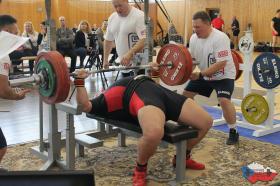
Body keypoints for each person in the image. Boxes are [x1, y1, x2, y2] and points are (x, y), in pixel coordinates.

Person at [74, 68, 213, 186]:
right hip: (143, 100)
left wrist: (155, 72)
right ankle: (141, 168)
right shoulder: (105, 99)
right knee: (153, 133)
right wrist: (79, 82)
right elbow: (85, 106)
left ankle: (183, 157)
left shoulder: (110, 93)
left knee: (206, 122)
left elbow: (157, 83)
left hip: (161, 93)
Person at [184, 11, 239, 145]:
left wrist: (201, 74)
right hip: (205, 74)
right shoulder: (193, 38)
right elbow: (192, 60)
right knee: (185, 96)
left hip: (223, 75)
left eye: (198, 27)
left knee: (224, 101)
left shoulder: (220, 38)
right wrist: (187, 73)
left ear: (208, 24)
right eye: (194, 27)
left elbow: (221, 63)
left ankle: (233, 131)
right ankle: (190, 123)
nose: (195, 30)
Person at [0, 14, 31, 167]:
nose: (17, 38)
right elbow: (4, 91)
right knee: (1, 147)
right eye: (15, 34)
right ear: (6, 31)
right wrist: (17, 96)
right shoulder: (3, 56)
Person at [103, 0, 146, 77]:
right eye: (115, 6)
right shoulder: (112, 18)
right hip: (124, 65)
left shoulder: (140, 16)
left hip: (140, 65)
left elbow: (144, 39)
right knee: (125, 88)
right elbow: (108, 40)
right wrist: (105, 59)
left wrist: (129, 54)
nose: (118, 9)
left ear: (127, 1)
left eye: (120, 5)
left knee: (139, 88)